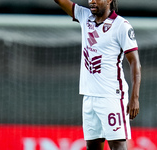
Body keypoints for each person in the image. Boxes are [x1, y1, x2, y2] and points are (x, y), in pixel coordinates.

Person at [54, 0, 141, 149]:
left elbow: (135, 63)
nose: (91, 1)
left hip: (112, 96)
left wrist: (135, 98)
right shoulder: (84, 16)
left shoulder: (121, 26)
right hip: (89, 96)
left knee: (118, 145)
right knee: (93, 146)